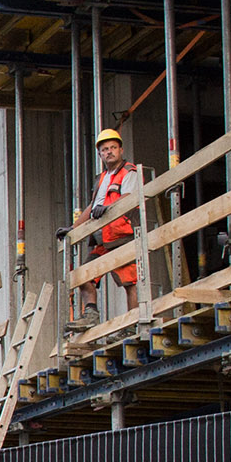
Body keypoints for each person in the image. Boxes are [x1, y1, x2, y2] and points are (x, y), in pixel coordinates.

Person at [81, 127, 149, 321]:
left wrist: (108, 209)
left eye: (112, 147)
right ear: (100, 154)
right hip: (103, 238)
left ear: (121, 150)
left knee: (130, 282)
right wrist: (73, 228)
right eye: (104, 149)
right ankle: (91, 314)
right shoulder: (102, 178)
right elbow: (92, 206)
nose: (108, 151)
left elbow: (128, 197)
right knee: (84, 275)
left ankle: (132, 323)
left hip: (122, 235)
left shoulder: (129, 172)